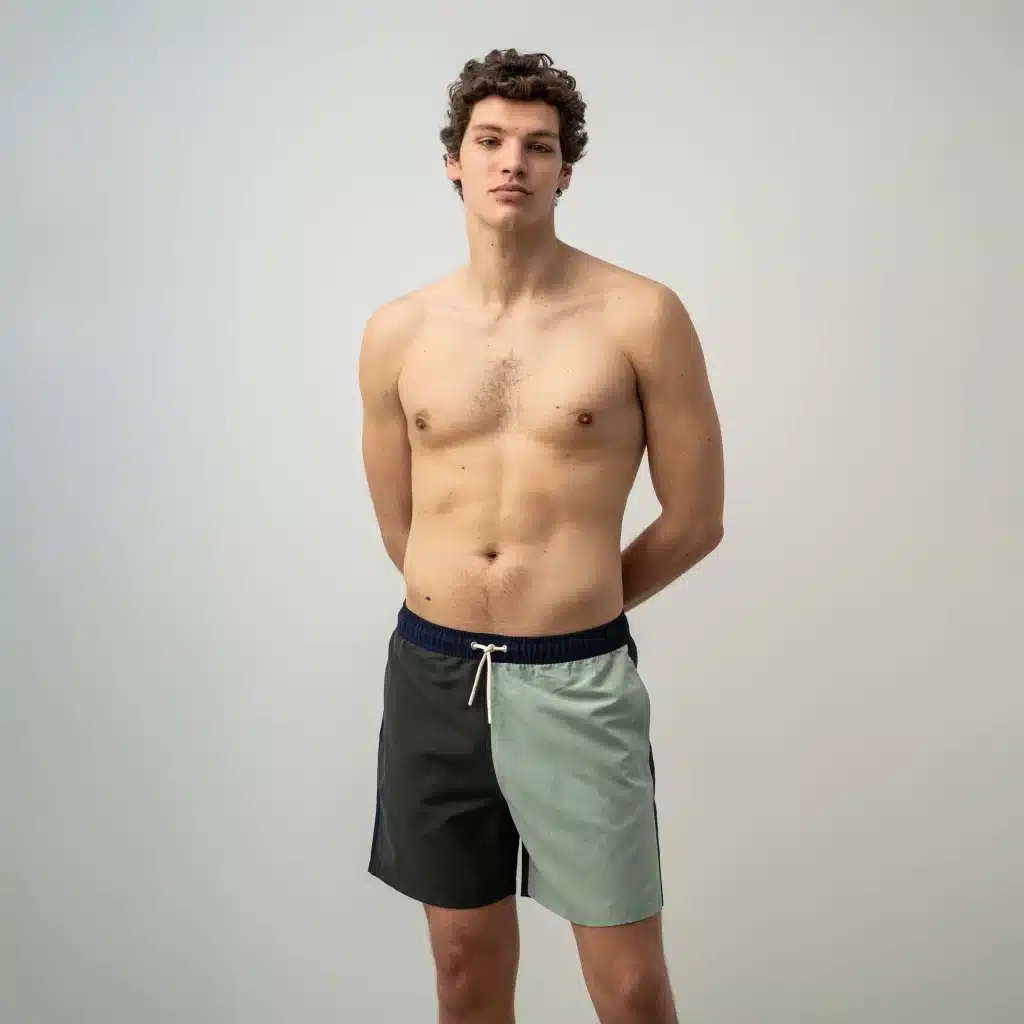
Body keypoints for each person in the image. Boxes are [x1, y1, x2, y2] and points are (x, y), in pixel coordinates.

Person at [359, 48, 725, 1024]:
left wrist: (568, 604)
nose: (512, 161)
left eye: (538, 146)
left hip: (575, 676)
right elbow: (400, 522)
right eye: (490, 141)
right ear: (455, 160)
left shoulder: (641, 316)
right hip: (434, 674)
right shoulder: (398, 330)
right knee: (461, 970)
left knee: (630, 987)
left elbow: (696, 519)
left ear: (566, 169)